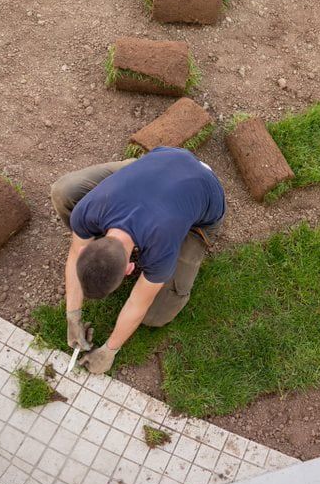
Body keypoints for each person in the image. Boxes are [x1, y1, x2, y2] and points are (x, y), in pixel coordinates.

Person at [49, 146, 226, 373]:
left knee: (156, 314)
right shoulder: (88, 210)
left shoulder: (160, 245)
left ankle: (187, 222)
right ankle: (138, 175)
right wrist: (72, 315)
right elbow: (75, 255)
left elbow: (138, 303)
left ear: (131, 267)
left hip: (204, 193)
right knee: (64, 192)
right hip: (156, 165)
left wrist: (109, 350)